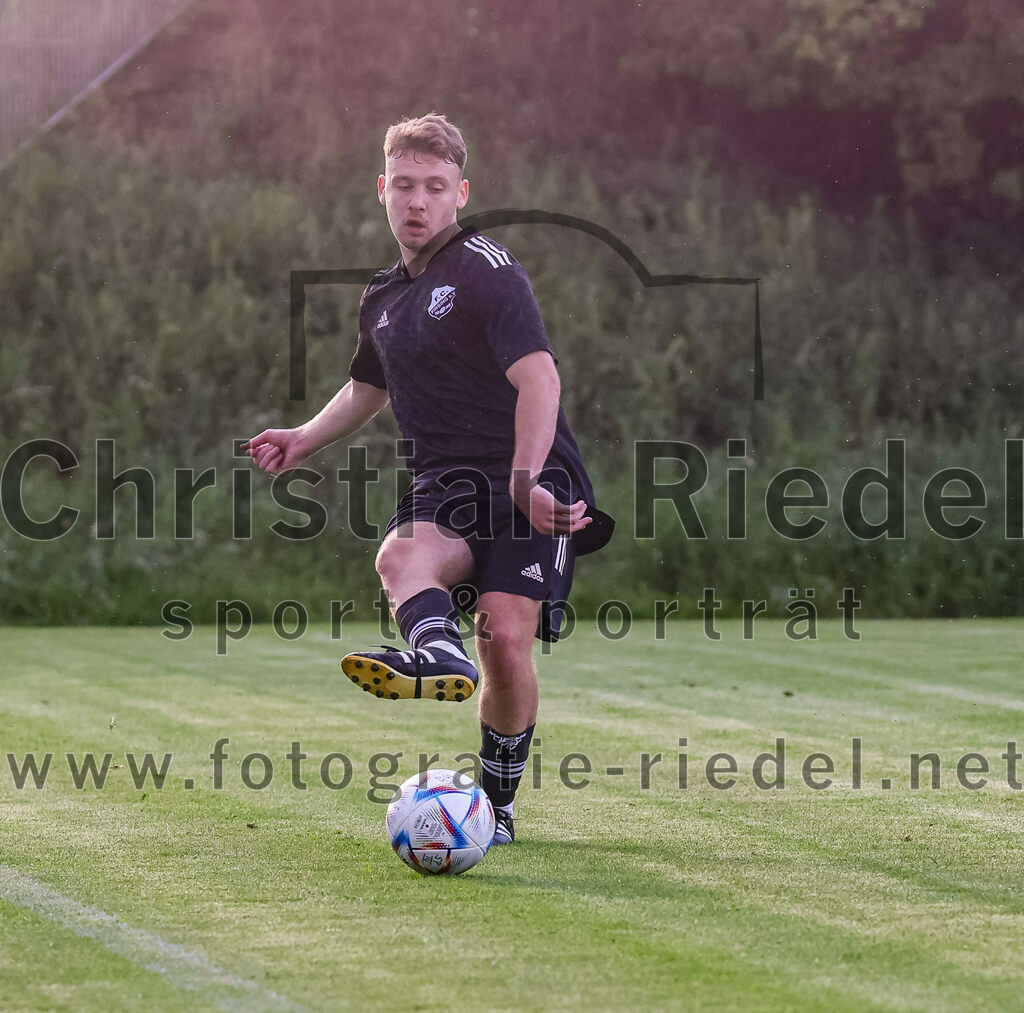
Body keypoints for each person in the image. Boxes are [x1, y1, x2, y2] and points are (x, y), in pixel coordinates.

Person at [245, 113, 612, 845]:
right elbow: (366, 388)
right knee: (399, 556)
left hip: (533, 485)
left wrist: (524, 478)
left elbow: (541, 377)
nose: (418, 201)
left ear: (460, 193)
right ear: (382, 190)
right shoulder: (383, 296)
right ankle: (439, 654)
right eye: (405, 185)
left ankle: (497, 806)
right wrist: (304, 436)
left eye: (434, 187)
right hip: (446, 485)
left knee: (506, 636)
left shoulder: (487, 268)